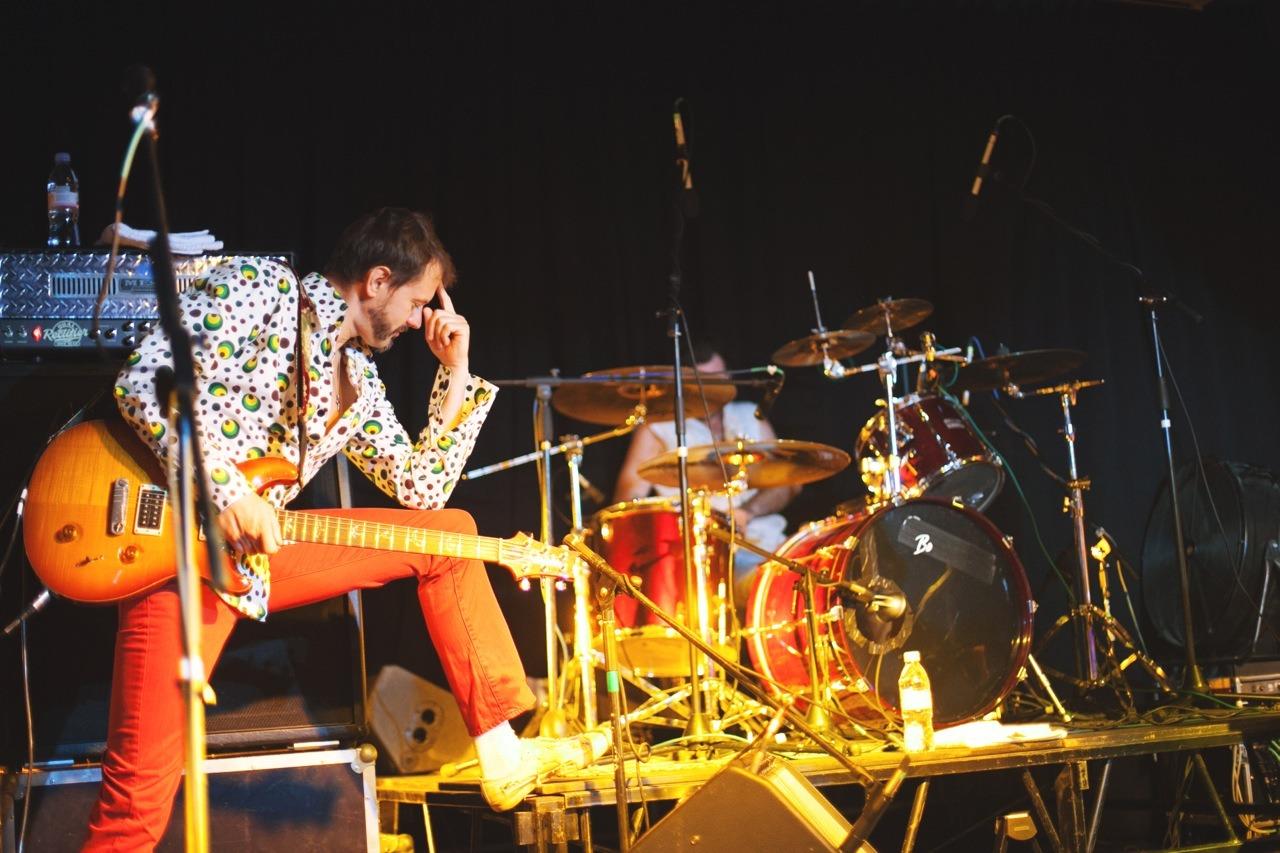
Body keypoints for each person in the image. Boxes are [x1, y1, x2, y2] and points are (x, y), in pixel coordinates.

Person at [86, 208, 606, 849]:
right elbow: (142, 383)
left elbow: (422, 488)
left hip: (253, 556)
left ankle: (502, 754)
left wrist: (456, 371)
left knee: (449, 535)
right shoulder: (262, 288)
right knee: (137, 805)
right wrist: (228, 491)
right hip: (169, 543)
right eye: (417, 303)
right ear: (377, 280)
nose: (419, 320)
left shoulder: (357, 380)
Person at [611, 344, 798, 612]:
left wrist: (746, 513)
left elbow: (789, 483)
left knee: (815, 573)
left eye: (719, 378)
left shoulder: (750, 416)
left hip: (770, 542)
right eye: (704, 381)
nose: (714, 387)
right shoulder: (659, 427)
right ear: (685, 386)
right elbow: (628, 499)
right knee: (771, 588)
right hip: (704, 555)